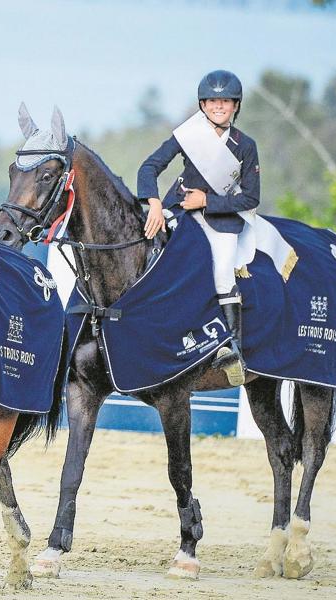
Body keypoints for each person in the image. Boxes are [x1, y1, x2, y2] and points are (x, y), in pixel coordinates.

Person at [136, 69, 260, 386]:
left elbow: (250, 197)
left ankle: (230, 348)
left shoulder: (245, 145)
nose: (219, 106)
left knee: (220, 272)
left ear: (236, 106)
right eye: (213, 101)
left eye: (226, 101)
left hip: (221, 223)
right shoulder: (188, 135)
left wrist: (207, 201)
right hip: (181, 215)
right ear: (203, 104)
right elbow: (150, 166)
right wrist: (153, 203)